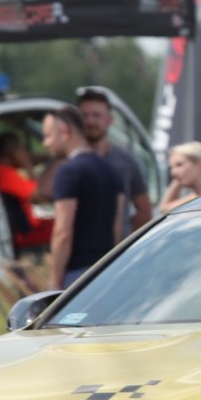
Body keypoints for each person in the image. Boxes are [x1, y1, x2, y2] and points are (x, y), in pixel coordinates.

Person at [44, 107, 123, 289]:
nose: (46, 143)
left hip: (77, 275)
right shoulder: (110, 169)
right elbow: (117, 227)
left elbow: (62, 233)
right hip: (105, 271)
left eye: (48, 135)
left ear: (64, 131)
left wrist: (55, 282)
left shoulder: (68, 172)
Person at [76, 89, 153, 232]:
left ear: (109, 120)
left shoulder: (126, 161)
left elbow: (144, 210)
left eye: (97, 115)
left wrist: (124, 237)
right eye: (84, 116)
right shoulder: (68, 160)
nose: (90, 121)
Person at [0, 132, 52, 251]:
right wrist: (28, 165)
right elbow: (41, 196)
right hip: (23, 235)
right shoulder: (5, 174)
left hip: (27, 229)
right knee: (67, 227)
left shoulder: (3, 171)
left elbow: (35, 158)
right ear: (14, 153)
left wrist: (51, 157)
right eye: (23, 149)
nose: (26, 153)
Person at [161, 142, 201, 209]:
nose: (173, 172)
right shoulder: (195, 196)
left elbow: (165, 208)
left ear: (200, 164)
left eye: (179, 165)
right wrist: (178, 178)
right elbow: (165, 208)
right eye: (171, 167)